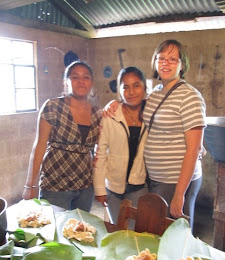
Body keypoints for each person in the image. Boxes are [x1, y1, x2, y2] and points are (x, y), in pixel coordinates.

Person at [104, 40, 206, 230]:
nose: (166, 63)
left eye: (173, 59)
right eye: (161, 58)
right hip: (156, 179)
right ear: (155, 62)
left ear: (182, 65)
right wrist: (114, 104)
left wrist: (179, 194)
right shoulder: (157, 93)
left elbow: (195, 148)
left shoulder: (190, 96)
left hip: (176, 179)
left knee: (175, 234)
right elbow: (133, 102)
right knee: (156, 230)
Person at [22, 61, 102, 211]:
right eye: (75, 77)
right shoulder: (53, 106)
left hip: (85, 186)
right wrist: (30, 185)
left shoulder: (97, 113)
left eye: (86, 77)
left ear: (91, 83)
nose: (81, 81)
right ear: (66, 82)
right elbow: (39, 145)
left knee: (80, 231)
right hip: (55, 185)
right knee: (55, 231)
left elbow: (102, 148)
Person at [93, 67, 148, 225]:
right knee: (117, 230)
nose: (131, 92)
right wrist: (99, 188)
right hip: (113, 187)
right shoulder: (110, 116)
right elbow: (100, 153)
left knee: (136, 232)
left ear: (144, 87)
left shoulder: (152, 113)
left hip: (140, 186)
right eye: (125, 87)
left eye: (136, 85)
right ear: (119, 90)